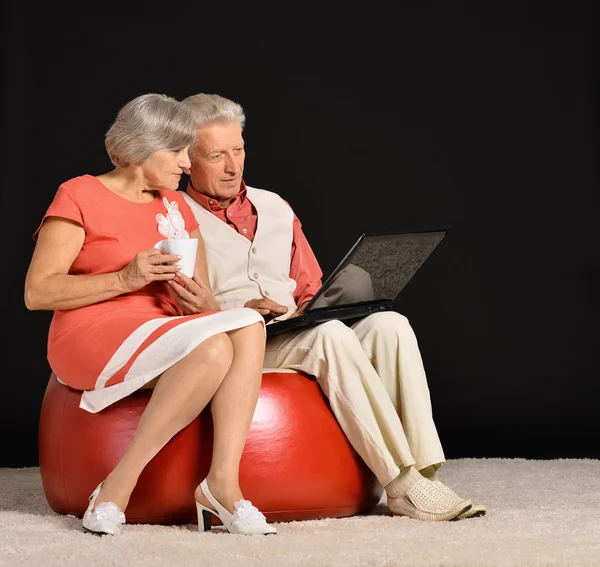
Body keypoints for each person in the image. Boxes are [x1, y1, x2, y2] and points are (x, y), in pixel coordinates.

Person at [179, 92, 487, 522]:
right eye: (217, 156)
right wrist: (240, 309)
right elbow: (182, 312)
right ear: (187, 158)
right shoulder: (175, 217)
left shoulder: (275, 206)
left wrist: (335, 300)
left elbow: (310, 287)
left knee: (389, 324)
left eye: (239, 150)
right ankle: (400, 485)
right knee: (328, 335)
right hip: (241, 343)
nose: (233, 166)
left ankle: (426, 473)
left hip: (295, 327)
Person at [24, 93, 277, 536]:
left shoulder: (175, 207)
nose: (186, 163)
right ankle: (118, 485)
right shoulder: (79, 193)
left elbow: (201, 302)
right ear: (144, 148)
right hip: (91, 332)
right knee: (216, 343)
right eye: (178, 152)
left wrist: (201, 303)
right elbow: (38, 292)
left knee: (241, 329)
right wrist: (125, 279)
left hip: (166, 329)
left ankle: (222, 484)